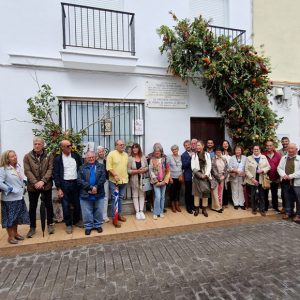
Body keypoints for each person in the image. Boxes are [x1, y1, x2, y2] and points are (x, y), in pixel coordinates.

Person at [23, 137, 55, 238]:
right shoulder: (27, 157)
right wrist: (36, 182)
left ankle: (50, 224)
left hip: (46, 185)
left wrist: (43, 181)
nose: (37, 146)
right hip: (33, 186)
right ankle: (32, 227)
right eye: (35, 144)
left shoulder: (49, 155)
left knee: (49, 205)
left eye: (39, 144)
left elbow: (50, 169)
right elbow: (27, 171)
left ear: (43, 145)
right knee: (32, 207)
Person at [53, 140, 82, 234]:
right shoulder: (58, 159)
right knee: (65, 205)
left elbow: (80, 169)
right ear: (62, 147)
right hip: (64, 184)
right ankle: (68, 224)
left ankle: (77, 221)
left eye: (71, 145)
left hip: (75, 183)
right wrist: (58, 188)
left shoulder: (76, 156)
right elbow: (56, 174)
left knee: (77, 203)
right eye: (68, 146)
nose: (70, 147)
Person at [0, 150, 29, 244]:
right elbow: (0, 183)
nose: (15, 157)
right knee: (10, 218)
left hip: (19, 196)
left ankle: (16, 234)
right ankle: (10, 236)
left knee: (16, 217)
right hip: (10, 198)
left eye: (15, 155)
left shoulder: (18, 167)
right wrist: (10, 189)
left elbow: (21, 177)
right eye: (12, 156)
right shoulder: (3, 169)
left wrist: (25, 184)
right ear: (7, 159)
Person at [77, 151, 106, 235]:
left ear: (95, 157)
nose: (91, 158)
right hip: (85, 193)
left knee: (99, 210)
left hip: (99, 192)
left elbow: (103, 178)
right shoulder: (81, 168)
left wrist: (96, 187)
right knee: (87, 211)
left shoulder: (101, 166)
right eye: (89, 157)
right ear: (86, 158)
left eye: (92, 157)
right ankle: (88, 226)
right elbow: (79, 180)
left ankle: (98, 225)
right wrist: (90, 187)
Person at [106, 139, 128, 228]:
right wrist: (115, 175)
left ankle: (119, 215)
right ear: (116, 146)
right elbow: (109, 167)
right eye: (120, 145)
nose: (122, 146)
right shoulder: (111, 154)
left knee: (120, 198)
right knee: (115, 199)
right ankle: (114, 219)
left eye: (123, 144)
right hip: (114, 181)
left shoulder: (126, 155)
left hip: (124, 181)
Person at [245, 144, 270, 216]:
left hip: (262, 179)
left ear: (260, 150)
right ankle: (254, 209)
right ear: (252, 150)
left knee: (262, 195)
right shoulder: (248, 158)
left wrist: (262, 170)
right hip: (253, 180)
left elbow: (268, 167)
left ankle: (262, 209)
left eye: (257, 149)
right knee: (253, 195)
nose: (256, 150)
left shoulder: (264, 157)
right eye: (254, 149)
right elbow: (246, 170)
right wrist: (252, 179)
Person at [277, 143, 300, 223]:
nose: (290, 150)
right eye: (289, 149)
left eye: (292, 149)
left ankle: (298, 215)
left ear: (296, 149)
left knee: (298, 199)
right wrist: (284, 175)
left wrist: (291, 176)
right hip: (285, 181)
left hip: (297, 182)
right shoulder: (284, 158)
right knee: (287, 198)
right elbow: (279, 168)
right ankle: (288, 212)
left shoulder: (299, 158)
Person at [127, 143, 148, 220]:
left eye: (136, 148)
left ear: (139, 149)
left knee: (142, 195)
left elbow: (147, 167)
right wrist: (137, 171)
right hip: (134, 179)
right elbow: (128, 170)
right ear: (132, 149)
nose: (135, 149)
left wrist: (143, 170)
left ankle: (141, 211)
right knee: (135, 195)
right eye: (133, 148)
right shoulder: (130, 158)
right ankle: (137, 212)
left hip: (142, 179)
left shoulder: (143, 157)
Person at [149, 145, 170, 220]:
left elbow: (168, 170)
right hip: (156, 182)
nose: (157, 153)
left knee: (162, 197)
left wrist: (166, 180)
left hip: (164, 181)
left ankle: (161, 212)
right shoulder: (152, 160)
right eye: (156, 152)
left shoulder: (165, 159)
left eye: (158, 152)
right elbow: (150, 170)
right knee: (158, 197)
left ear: (161, 152)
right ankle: (155, 212)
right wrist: (155, 181)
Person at [191, 140, 211, 217]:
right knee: (196, 194)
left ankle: (204, 209)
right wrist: (199, 174)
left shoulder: (207, 155)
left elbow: (209, 165)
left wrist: (205, 175)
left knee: (205, 193)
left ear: (203, 146)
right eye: (197, 145)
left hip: (205, 177)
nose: (198, 147)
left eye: (199, 145)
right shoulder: (194, 156)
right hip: (196, 177)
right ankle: (196, 209)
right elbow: (193, 167)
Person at [263, 140, 281, 212]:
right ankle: (266, 207)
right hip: (266, 178)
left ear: (273, 146)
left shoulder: (278, 155)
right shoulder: (263, 155)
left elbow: (280, 166)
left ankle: (275, 206)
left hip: (275, 178)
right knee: (265, 193)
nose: (269, 147)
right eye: (267, 146)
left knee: (274, 193)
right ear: (266, 146)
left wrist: (279, 177)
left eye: (270, 146)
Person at [210, 146, 228, 213]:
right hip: (215, 178)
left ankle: (219, 206)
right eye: (217, 151)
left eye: (220, 151)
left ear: (221, 152)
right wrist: (218, 177)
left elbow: (227, 169)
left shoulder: (224, 159)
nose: (218, 152)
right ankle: (216, 207)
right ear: (215, 152)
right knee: (215, 193)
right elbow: (213, 170)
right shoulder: (212, 159)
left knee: (220, 192)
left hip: (222, 178)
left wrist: (224, 176)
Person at [228, 145, 247, 209]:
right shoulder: (232, 157)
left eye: (239, 150)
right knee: (234, 190)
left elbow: (247, 167)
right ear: (234, 151)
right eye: (236, 150)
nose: (238, 151)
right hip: (234, 176)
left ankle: (241, 203)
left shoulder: (245, 158)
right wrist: (235, 170)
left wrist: (244, 173)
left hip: (242, 176)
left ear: (241, 151)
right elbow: (229, 167)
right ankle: (236, 203)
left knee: (241, 190)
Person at [167, 145, 183, 213]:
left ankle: (177, 205)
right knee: (172, 192)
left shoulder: (180, 157)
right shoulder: (169, 157)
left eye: (176, 149)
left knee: (178, 192)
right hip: (172, 177)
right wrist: (170, 178)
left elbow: (182, 167)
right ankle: (173, 205)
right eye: (173, 150)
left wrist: (182, 175)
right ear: (171, 151)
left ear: (178, 150)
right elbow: (167, 168)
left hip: (179, 177)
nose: (174, 151)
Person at [97, 146, 110, 223]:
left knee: (105, 198)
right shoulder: (95, 160)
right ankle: (98, 216)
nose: (101, 153)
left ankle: (104, 216)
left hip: (105, 181)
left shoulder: (106, 160)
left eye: (102, 151)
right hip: (96, 182)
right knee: (98, 198)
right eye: (99, 152)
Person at [181, 139, 194, 214]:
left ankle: (193, 206)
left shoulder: (195, 153)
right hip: (188, 176)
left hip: (195, 176)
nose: (187, 146)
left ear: (191, 145)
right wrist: (190, 158)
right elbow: (184, 166)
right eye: (186, 145)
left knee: (193, 192)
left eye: (188, 145)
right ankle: (188, 207)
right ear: (184, 147)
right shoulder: (183, 155)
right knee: (188, 192)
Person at [278, 137, 290, 214]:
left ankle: (290, 208)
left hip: (292, 175)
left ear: (288, 142)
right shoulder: (279, 152)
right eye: (283, 141)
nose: (284, 143)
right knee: (283, 193)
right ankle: (284, 207)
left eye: (286, 141)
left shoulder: (292, 150)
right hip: (283, 175)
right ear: (281, 143)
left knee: (291, 193)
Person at [221, 140, 232, 208]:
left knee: (227, 188)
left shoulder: (231, 153)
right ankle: (221, 202)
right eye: (224, 144)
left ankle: (226, 202)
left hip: (230, 173)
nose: (225, 145)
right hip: (222, 173)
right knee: (223, 188)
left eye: (226, 144)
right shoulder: (221, 153)